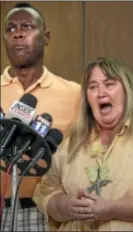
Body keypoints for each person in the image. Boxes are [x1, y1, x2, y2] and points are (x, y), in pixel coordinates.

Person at [33, 57, 133, 231]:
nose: (101, 93)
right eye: (93, 87)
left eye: (109, 84)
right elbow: (46, 193)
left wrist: (112, 209)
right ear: (88, 100)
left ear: (127, 91)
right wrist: (66, 206)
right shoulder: (70, 143)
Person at [0, 2, 81, 231]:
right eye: (10, 28)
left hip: (46, 213)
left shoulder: (74, 94)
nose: (18, 33)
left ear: (45, 37)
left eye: (27, 26)